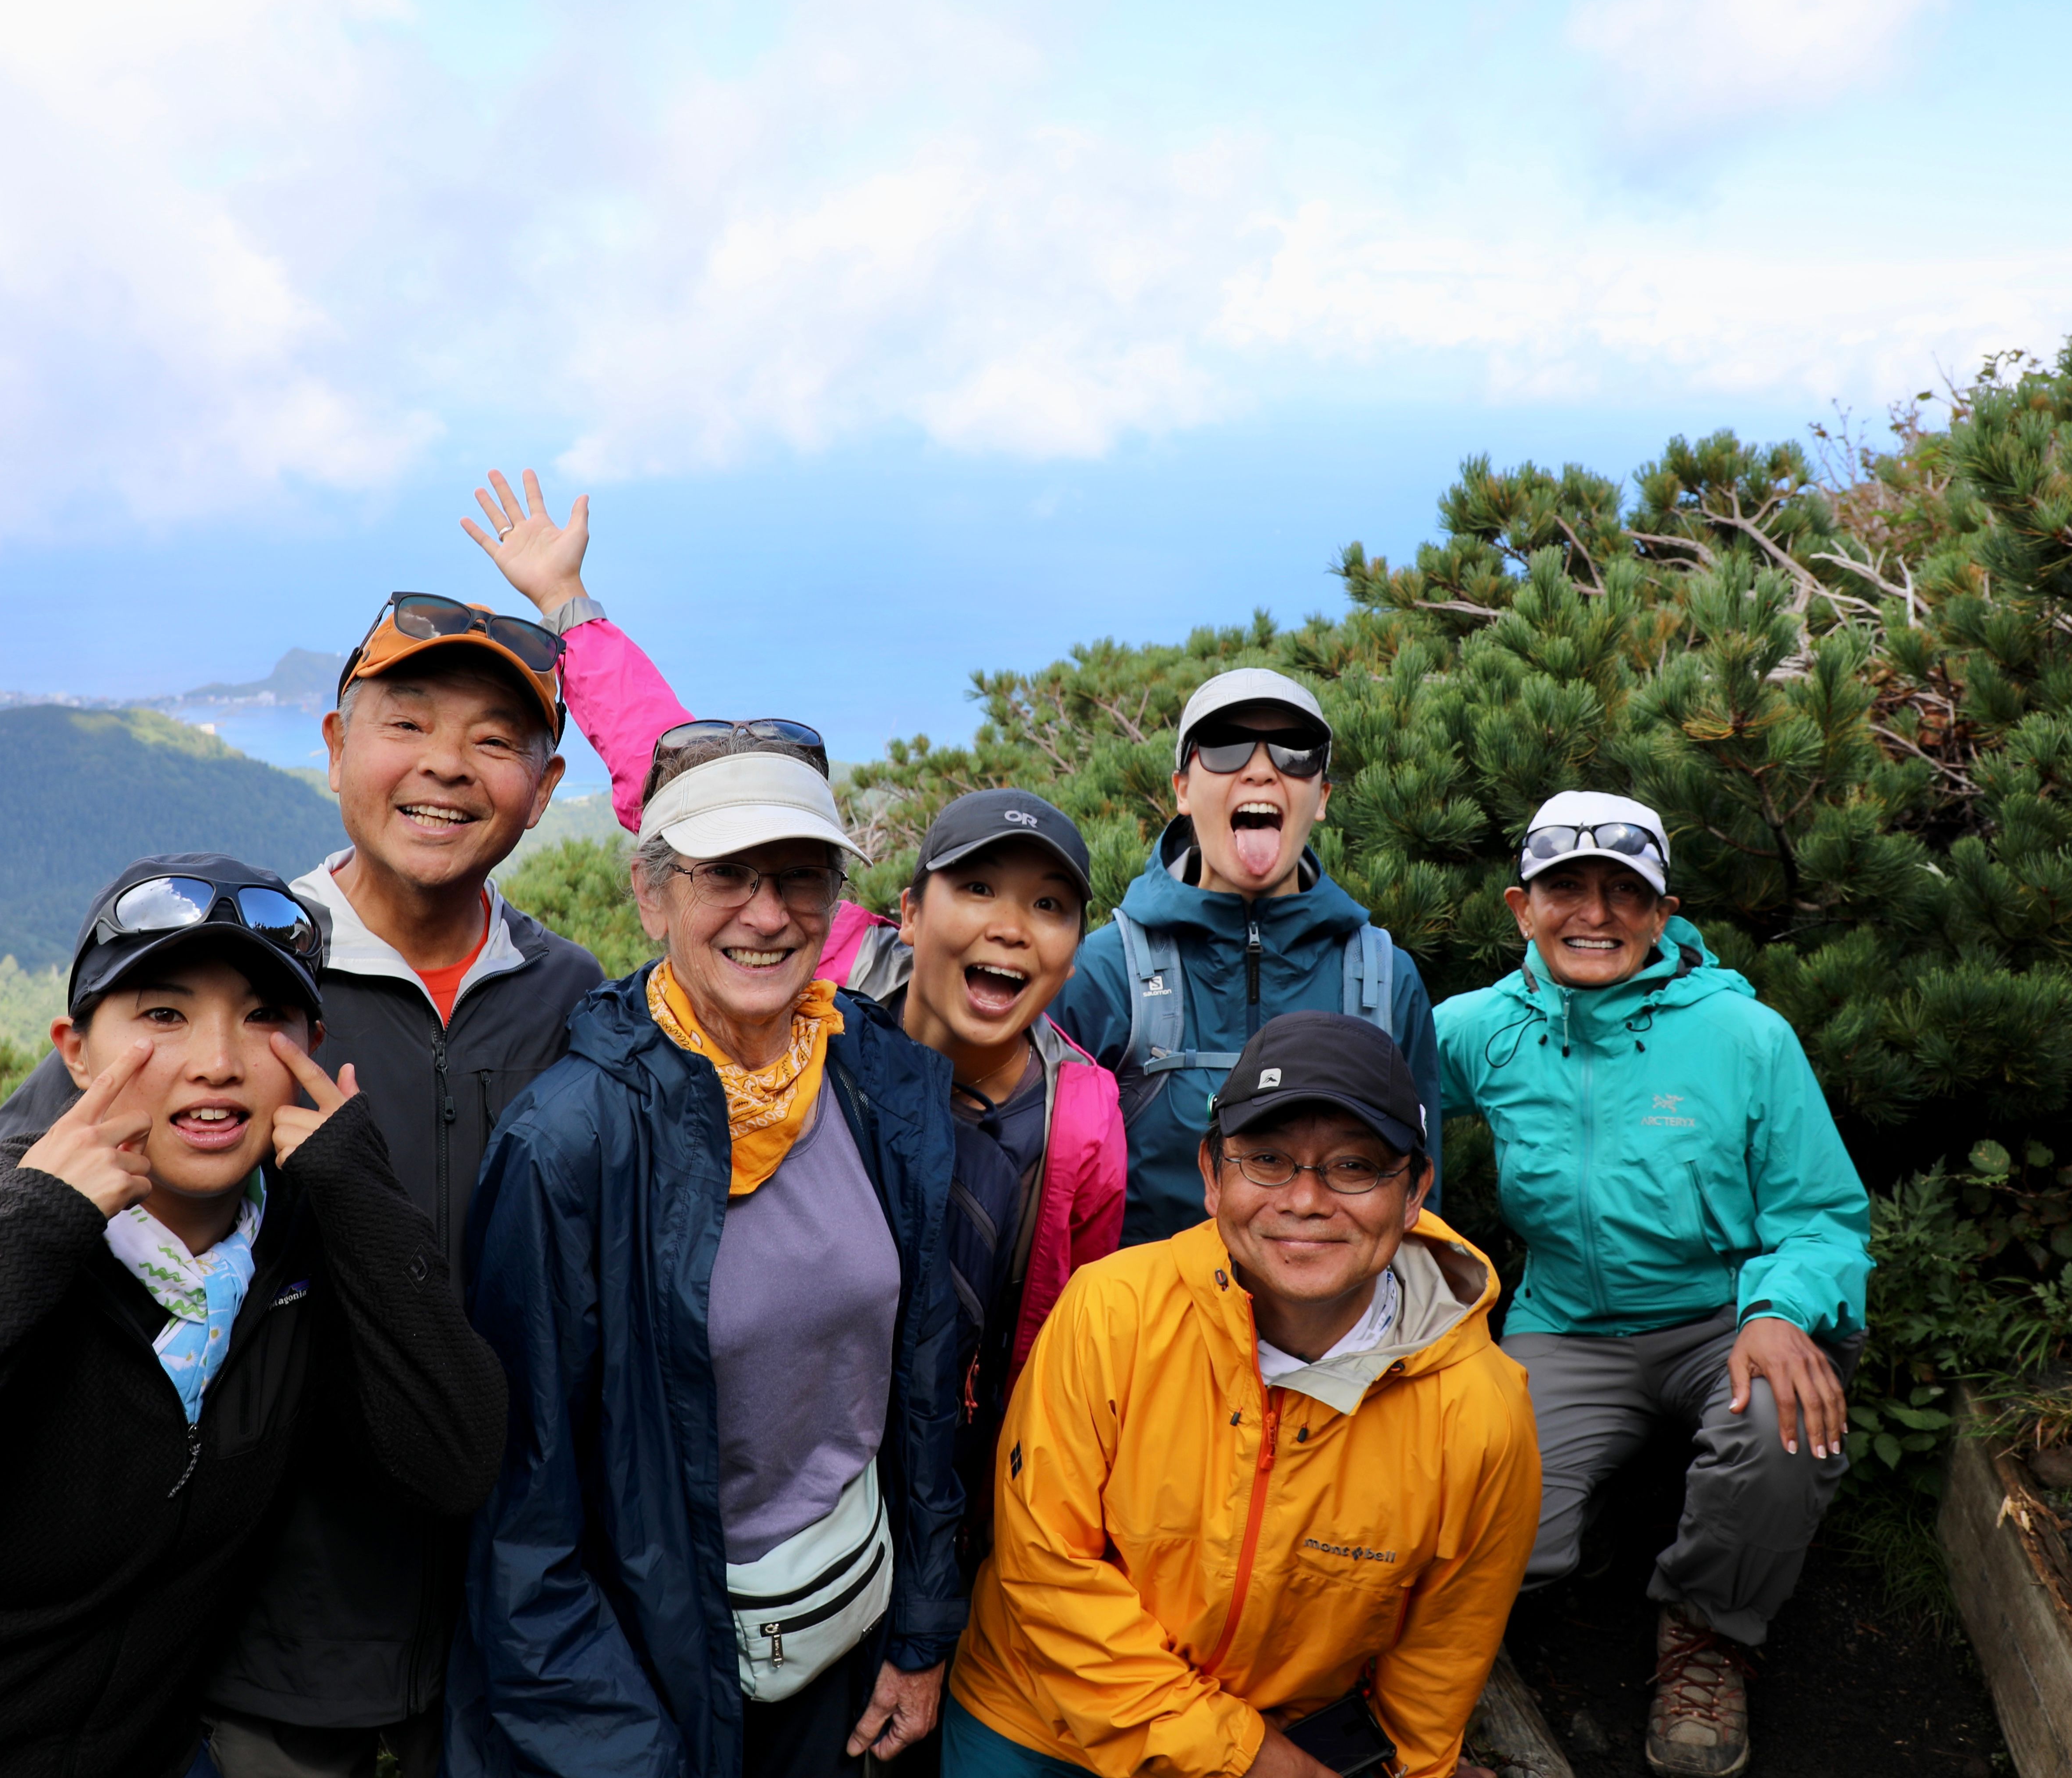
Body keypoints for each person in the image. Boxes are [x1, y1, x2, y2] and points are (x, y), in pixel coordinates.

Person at [0, 595, 605, 1777]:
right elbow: (20, 1186)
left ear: (546, 777)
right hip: (245, 1647)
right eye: (407, 723)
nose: (445, 769)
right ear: (333, 746)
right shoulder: (243, 971)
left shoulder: (572, 996)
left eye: (495, 741)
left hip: (502, 1624)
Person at [0, 855, 508, 1778]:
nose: (218, 1059)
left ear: (310, 1047)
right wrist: (33, 1228)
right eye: (162, 1014)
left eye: (264, 1017)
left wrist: (360, 1191)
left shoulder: (294, 1258)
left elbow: (452, 1460)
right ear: (74, 1050)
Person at [461, 468, 1126, 1401]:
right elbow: (676, 784)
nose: (1010, 928)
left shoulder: (1083, 1113)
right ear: (910, 908)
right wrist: (569, 605)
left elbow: (1078, 1328)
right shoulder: (831, 960)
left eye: (1051, 907)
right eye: (977, 888)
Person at [450, 736, 966, 1776]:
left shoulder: (880, 1081)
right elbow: (523, 1519)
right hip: (649, 1678)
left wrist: (919, 1636)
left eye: (800, 876)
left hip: (844, 1644)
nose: (768, 913)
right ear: (651, 895)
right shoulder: (571, 1144)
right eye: (726, 874)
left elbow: (920, 1388)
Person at [945, 1012, 1538, 1778]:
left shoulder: (1481, 1411)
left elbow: (1440, 1660)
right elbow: (1046, 1575)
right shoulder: (1110, 1312)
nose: (1305, 1200)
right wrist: (1250, 1762)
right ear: (1212, 1177)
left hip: (1291, 1737)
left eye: (1355, 1167)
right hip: (1040, 1719)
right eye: (1267, 1160)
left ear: (1416, 1189)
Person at [1434, 791, 1871, 1778]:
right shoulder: (1478, 1029)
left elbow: (1822, 1214)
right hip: (1564, 1326)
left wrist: (1777, 1310)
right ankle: (1577, 1546)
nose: (1595, 913)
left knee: (1782, 1419)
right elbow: (1368, 1097)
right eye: (1566, 888)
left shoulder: (1745, 1035)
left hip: (1723, 1314)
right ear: (1521, 907)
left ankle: (1709, 1633)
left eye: (1624, 891)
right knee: (1487, 1517)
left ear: (1663, 913)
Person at [1045, 666, 1443, 1246]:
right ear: (1182, 790)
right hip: (1150, 1328)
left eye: (1294, 753)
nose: (1261, 769)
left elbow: (1419, 1204)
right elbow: (1051, 1199)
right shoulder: (1102, 972)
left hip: (1337, 1333)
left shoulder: (1385, 981)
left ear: (1323, 797)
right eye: (1227, 747)